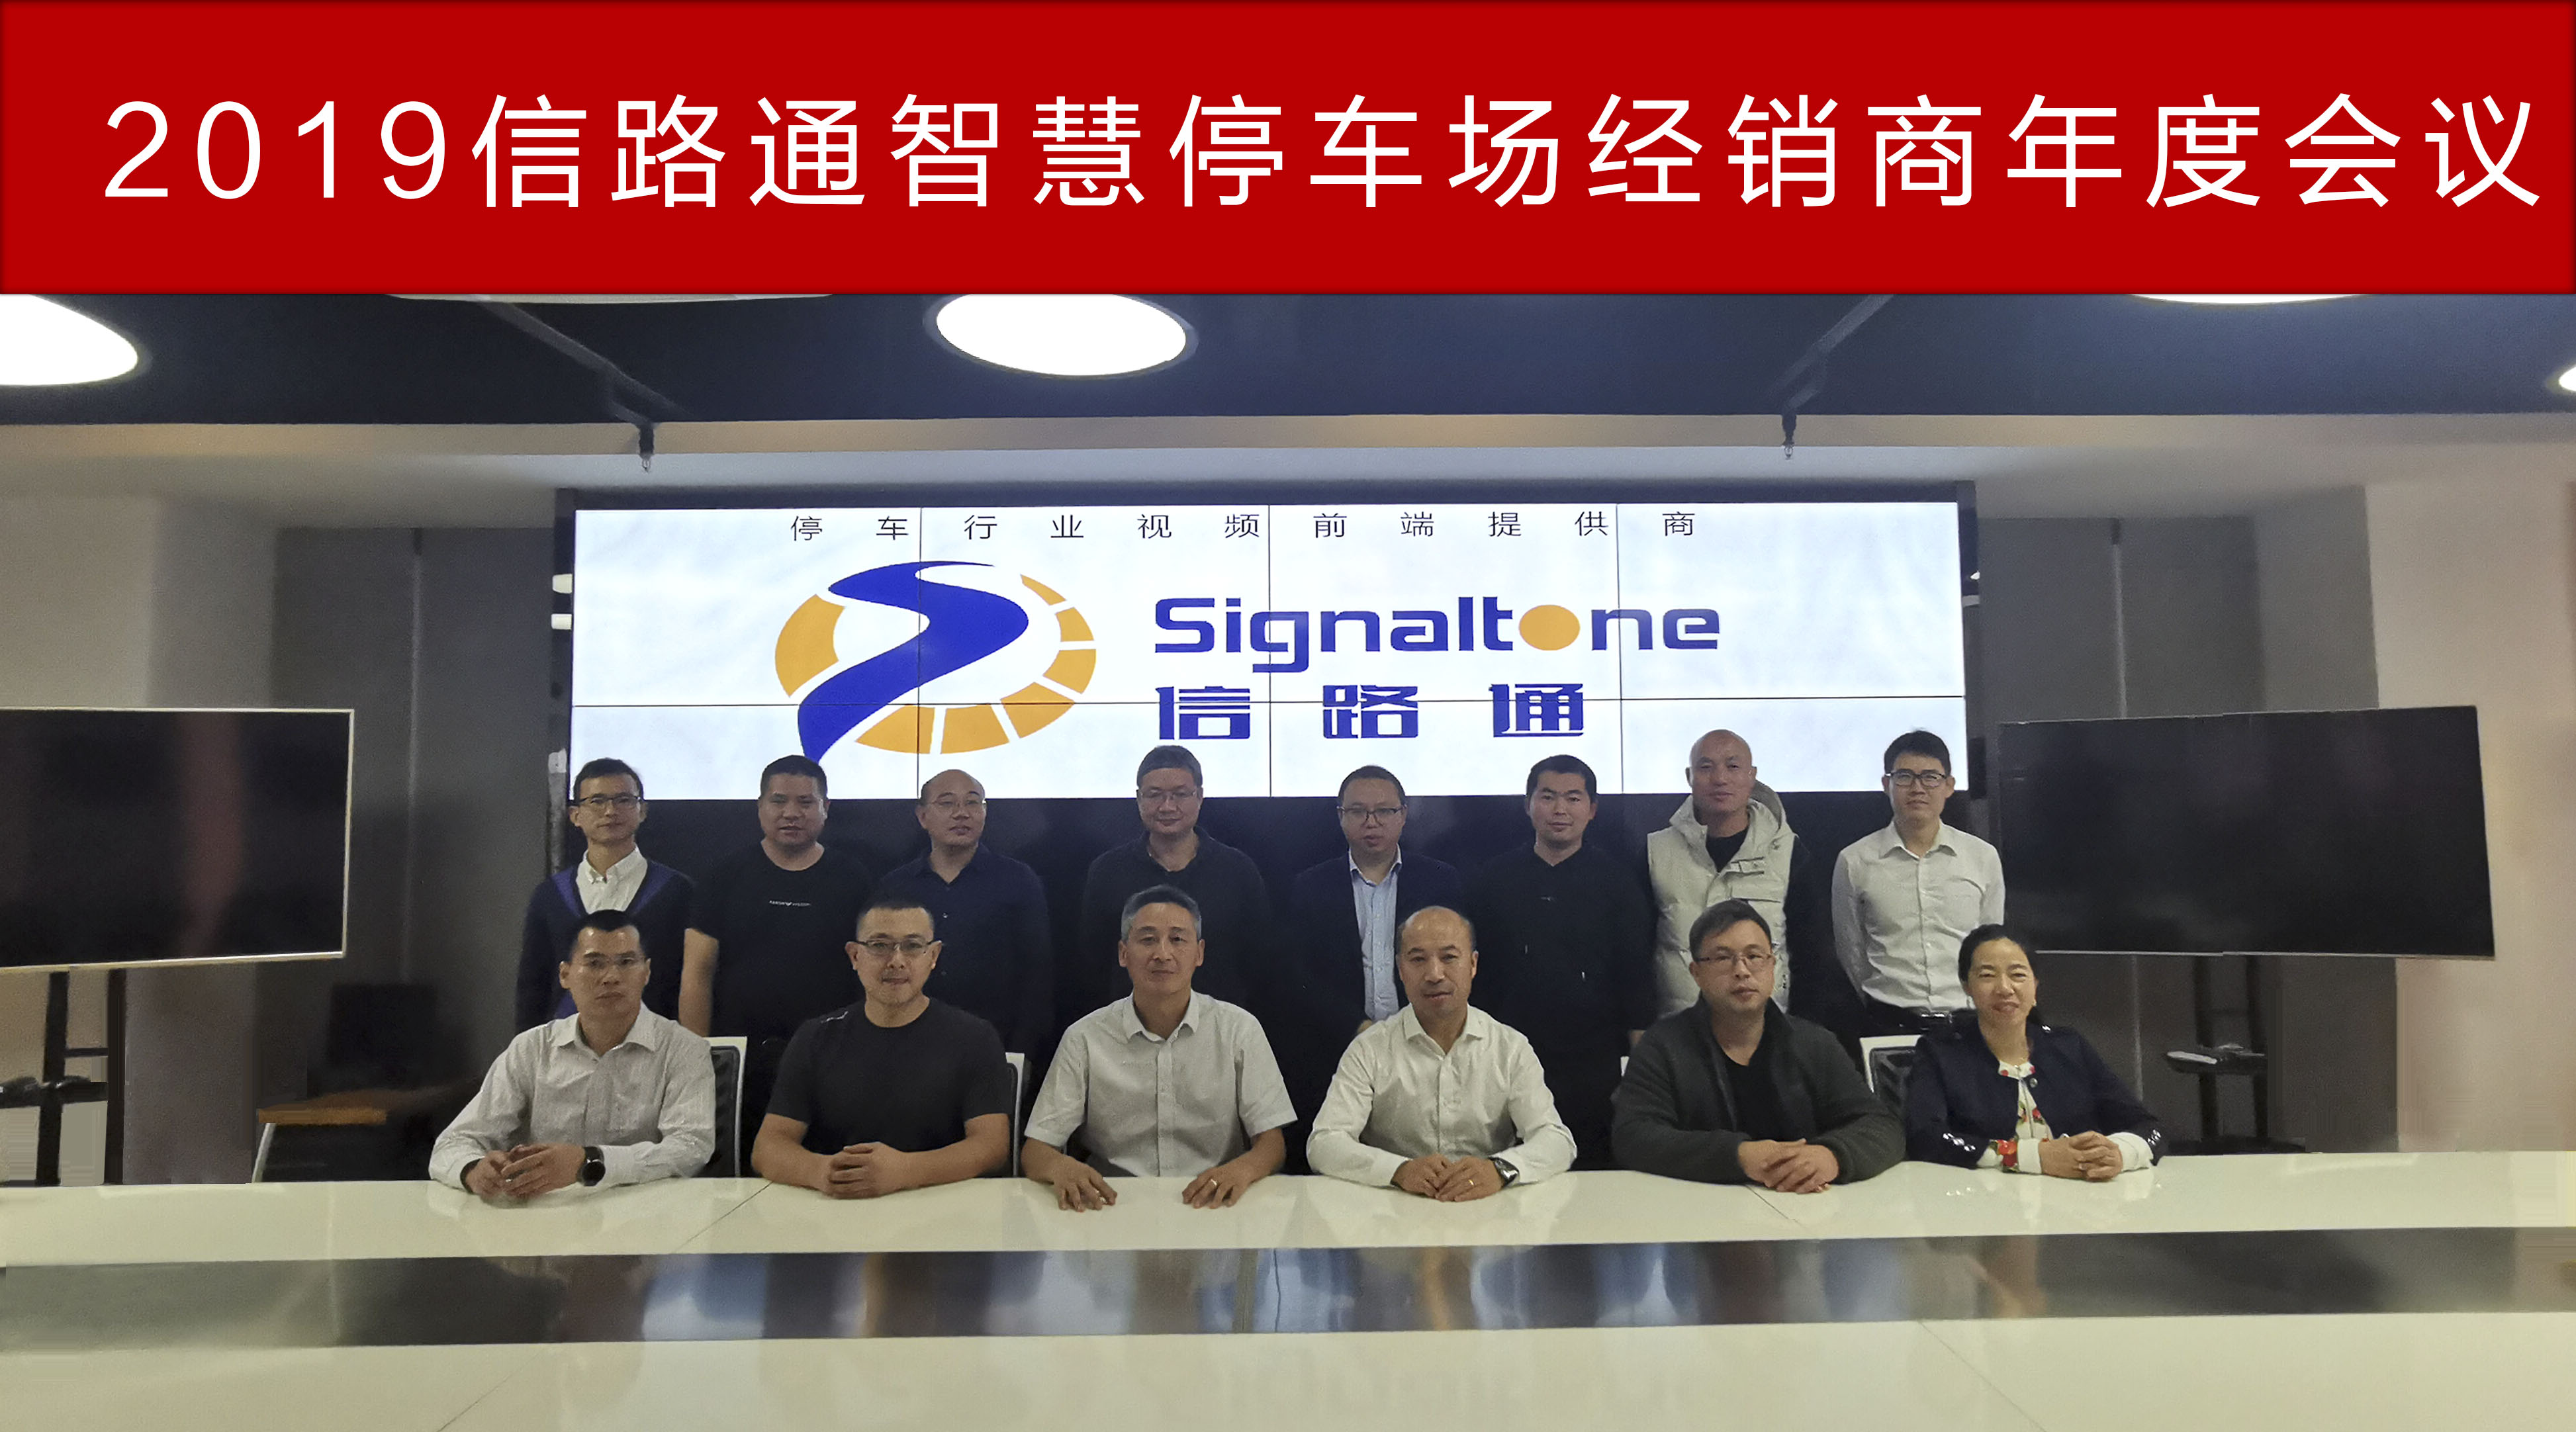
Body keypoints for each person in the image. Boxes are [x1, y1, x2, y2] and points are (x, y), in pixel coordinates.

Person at [1022, 886, 1296, 1210]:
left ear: (1199, 953)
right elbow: (1036, 1151)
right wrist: (1061, 1168)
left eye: (1177, 939)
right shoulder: (1084, 1038)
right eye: (1148, 939)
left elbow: (1272, 1144)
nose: (1162, 954)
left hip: (1214, 1202)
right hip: (1112, 1204)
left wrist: (1243, 1169)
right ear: (1123, 953)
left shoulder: (1239, 1030)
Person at [1612, 899, 1901, 1190]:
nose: (1742, 970)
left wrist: (1832, 1156)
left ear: (1772, 965)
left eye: (1754, 956)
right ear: (1696, 973)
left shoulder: (1814, 1044)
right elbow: (1633, 1136)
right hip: (1700, 1206)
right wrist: (1738, 1156)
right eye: (1723, 958)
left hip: (1801, 1206)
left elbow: (1881, 1125)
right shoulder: (1662, 1046)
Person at [433, 909, 715, 1195]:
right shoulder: (531, 1049)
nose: (611, 977)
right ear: (565, 975)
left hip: (644, 1211)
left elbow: (690, 1149)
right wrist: (473, 1170)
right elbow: (455, 1142)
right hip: (547, 1210)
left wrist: (590, 1162)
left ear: (647, 972)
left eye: (627, 962)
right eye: (595, 963)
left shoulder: (685, 1049)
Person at [750, 894, 1015, 1198]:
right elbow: (768, 1147)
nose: (897, 961)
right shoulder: (816, 1037)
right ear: (855, 956)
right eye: (879, 945)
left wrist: (907, 1171)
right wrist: (822, 1171)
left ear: (933, 956)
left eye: (913, 946)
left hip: (940, 1204)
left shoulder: (975, 1038)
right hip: (839, 1206)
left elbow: (992, 1147)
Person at [1464, 754, 1657, 1170]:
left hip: (1592, 1061)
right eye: (1548, 796)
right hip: (1504, 1057)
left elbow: (1636, 980)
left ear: (1593, 809)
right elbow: (1475, 978)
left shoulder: (1618, 884)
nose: (1560, 809)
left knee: (1588, 1173)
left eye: (1573, 798)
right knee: (1503, 1171)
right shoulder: (1492, 880)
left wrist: (1641, 1074)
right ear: (1528, 804)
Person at [680, 754, 876, 1150]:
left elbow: (871, 971)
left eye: (806, 802)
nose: (791, 813)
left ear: (826, 808)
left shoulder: (854, 879)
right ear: (760, 807)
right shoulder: (724, 876)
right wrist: (697, 1055)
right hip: (740, 1058)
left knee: (826, 1164)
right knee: (740, 1165)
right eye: (779, 801)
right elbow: (697, 972)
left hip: (832, 1055)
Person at [1308, 906, 1575, 1197]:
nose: (1434, 974)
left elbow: (1556, 1140)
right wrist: (1397, 1170)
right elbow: (1324, 1143)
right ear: (1400, 969)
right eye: (1418, 959)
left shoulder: (1510, 1048)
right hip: (1395, 1207)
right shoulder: (1369, 1049)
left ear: (1473, 964)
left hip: (1489, 1207)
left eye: (1449, 958)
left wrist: (1501, 1169)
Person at [1278, 765, 1465, 1153]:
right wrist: (1357, 1027)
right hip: (1337, 1048)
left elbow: (1455, 964)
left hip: (1426, 1045)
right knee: (1338, 1159)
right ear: (1340, 817)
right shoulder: (1311, 886)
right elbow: (1297, 976)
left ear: (1404, 815)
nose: (1371, 822)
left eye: (1384, 811)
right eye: (1358, 811)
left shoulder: (1440, 881)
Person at [1906, 925, 2164, 1178]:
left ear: (2035, 985)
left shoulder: (2069, 1046)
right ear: (1967, 986)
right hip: (1985, 1199)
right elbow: (1925, 1137)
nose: (2005, 988)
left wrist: (2121, 1154)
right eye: (1987, 975)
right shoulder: (1940, 1053)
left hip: (2081, 1198)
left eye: (2018, 975)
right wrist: (2030, 1156)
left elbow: (2149, 1128)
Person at [1644, 731, 1844, 1027]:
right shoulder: (1656, 852)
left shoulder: (1788, 852)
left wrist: (1801, 1035)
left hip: (1769, 1031)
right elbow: (1637, 956)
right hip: (1681, 1034)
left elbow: (1813, 956)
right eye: (1706, 767)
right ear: (1689, 777)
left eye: (1733, 766)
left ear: (1752, 776)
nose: (1720, 778)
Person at [1072, 744, 1271, 1024]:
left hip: (1220, 1032)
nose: (1167, 807)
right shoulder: (1108, 871)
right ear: (1139, 799)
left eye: (1180, 794)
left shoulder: (1237, 870)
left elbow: (1260, 963)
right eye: (1155, 795)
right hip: (1128, 1031)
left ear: (1199, 797)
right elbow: (1093, 963)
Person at [1831, 731, 2007, 1036]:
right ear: (1886, 784)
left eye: (1930, 777)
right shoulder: (1854, 861)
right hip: (1887, 1024)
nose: (1917, 788)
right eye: (1904, 777)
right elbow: (1852, 954)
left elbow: (1990, 948)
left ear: (1949, 786)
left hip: (1966, 1027)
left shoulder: (1982, 857)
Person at [876, 768, 1053, 1058]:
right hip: (909, 1043)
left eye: (972, 802)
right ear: (923, 816)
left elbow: (1037, 972)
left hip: (997, 1042)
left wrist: (1023, 1051)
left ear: (985, 812)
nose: (962, 813)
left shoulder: (1018, 880)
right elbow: (878, 967)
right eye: (947, 803)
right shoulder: (895, 886)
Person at [514, 757, 694, 1030]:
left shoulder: (678, 891)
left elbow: (689, 980)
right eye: (597, 801)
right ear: (575, 815)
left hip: (654, 1041)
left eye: (624, 800)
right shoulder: (550, 896)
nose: (610, 811)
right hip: (566, 1042)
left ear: (642, 811)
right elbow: (533, 985)